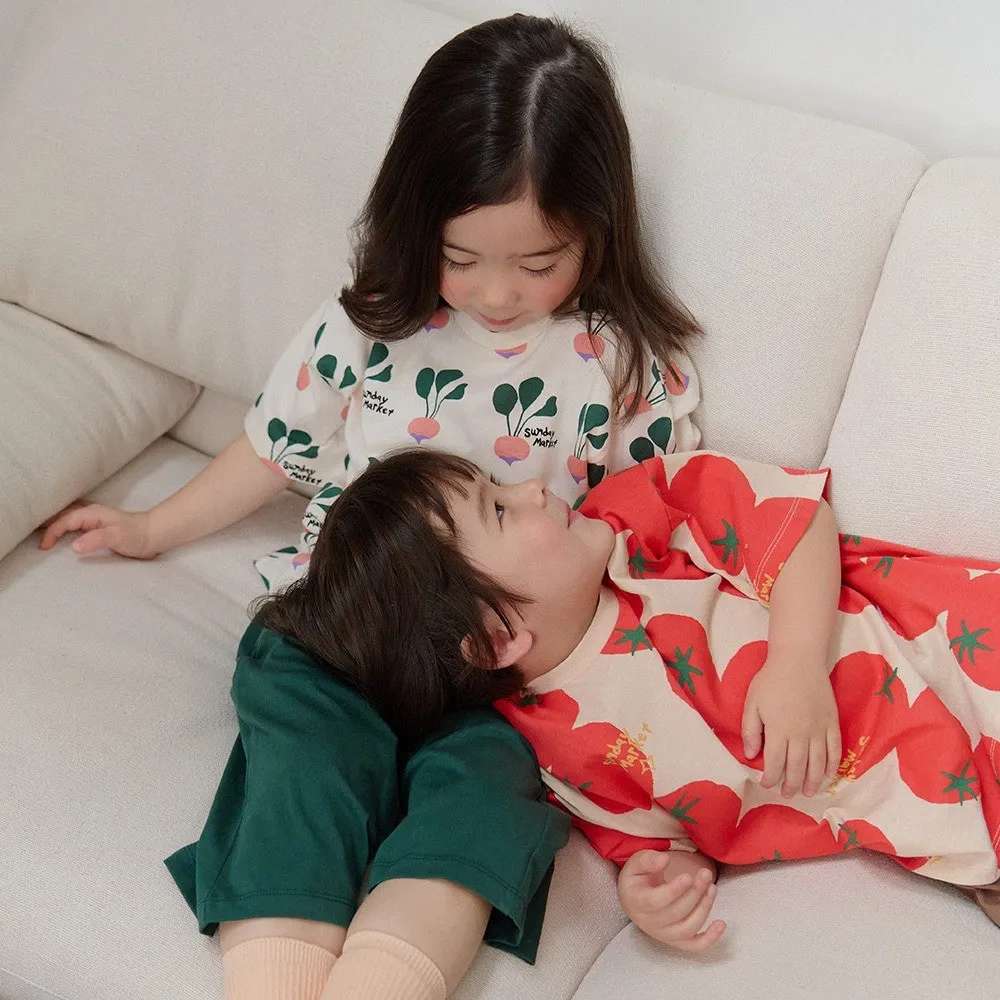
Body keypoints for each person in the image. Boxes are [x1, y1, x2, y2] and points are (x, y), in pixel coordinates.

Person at [39, 14, 705, 998]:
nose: (495, 293)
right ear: (414, 218)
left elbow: (653, 538)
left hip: (500, 677)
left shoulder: (620, 364)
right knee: (304, 768)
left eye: (538, 263)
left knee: (482, 804)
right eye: (460, 256)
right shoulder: (374, 322)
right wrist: (151, 526)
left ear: (599, 229)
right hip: (338, 629)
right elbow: (275, 444)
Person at [256, 446, 1000, 953]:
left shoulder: (644, 509)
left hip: (935, 646)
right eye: (501, 510)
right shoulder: (557, 744)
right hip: (919, 797)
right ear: (496, 639)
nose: (533, 487)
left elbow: (796, 524)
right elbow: (659, 829)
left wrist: (797, 665)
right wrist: (660, 882)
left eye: (500, 483)